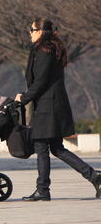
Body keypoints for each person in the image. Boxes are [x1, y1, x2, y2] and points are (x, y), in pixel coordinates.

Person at [15, 18, 100, 201]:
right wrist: (27, 95)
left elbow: (42, 80)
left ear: (41, 32)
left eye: (32, 29)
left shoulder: (45, 51)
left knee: (42, 146)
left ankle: (43, 190)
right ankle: (94, 177)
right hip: (49, 103)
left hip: (49, 105)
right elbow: (40, 80)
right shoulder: (48, 49)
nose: (30, 32)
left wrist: (25, 98)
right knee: (56, 148)